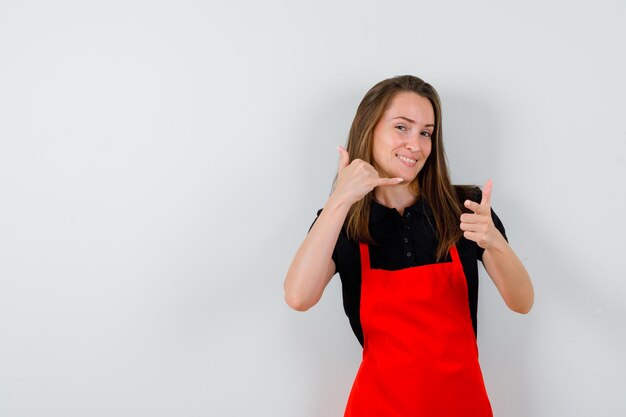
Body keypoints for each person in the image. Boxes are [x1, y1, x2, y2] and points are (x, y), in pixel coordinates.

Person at [283, 75, 534, 417]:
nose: (415, 144)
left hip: (463, 407)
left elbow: (522, 302)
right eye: (402, 127)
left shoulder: (466, 209)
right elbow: (299, 297)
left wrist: (495, 242)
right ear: (368, 128)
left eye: (426, 132)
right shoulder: (342, 222)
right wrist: (340, 200)